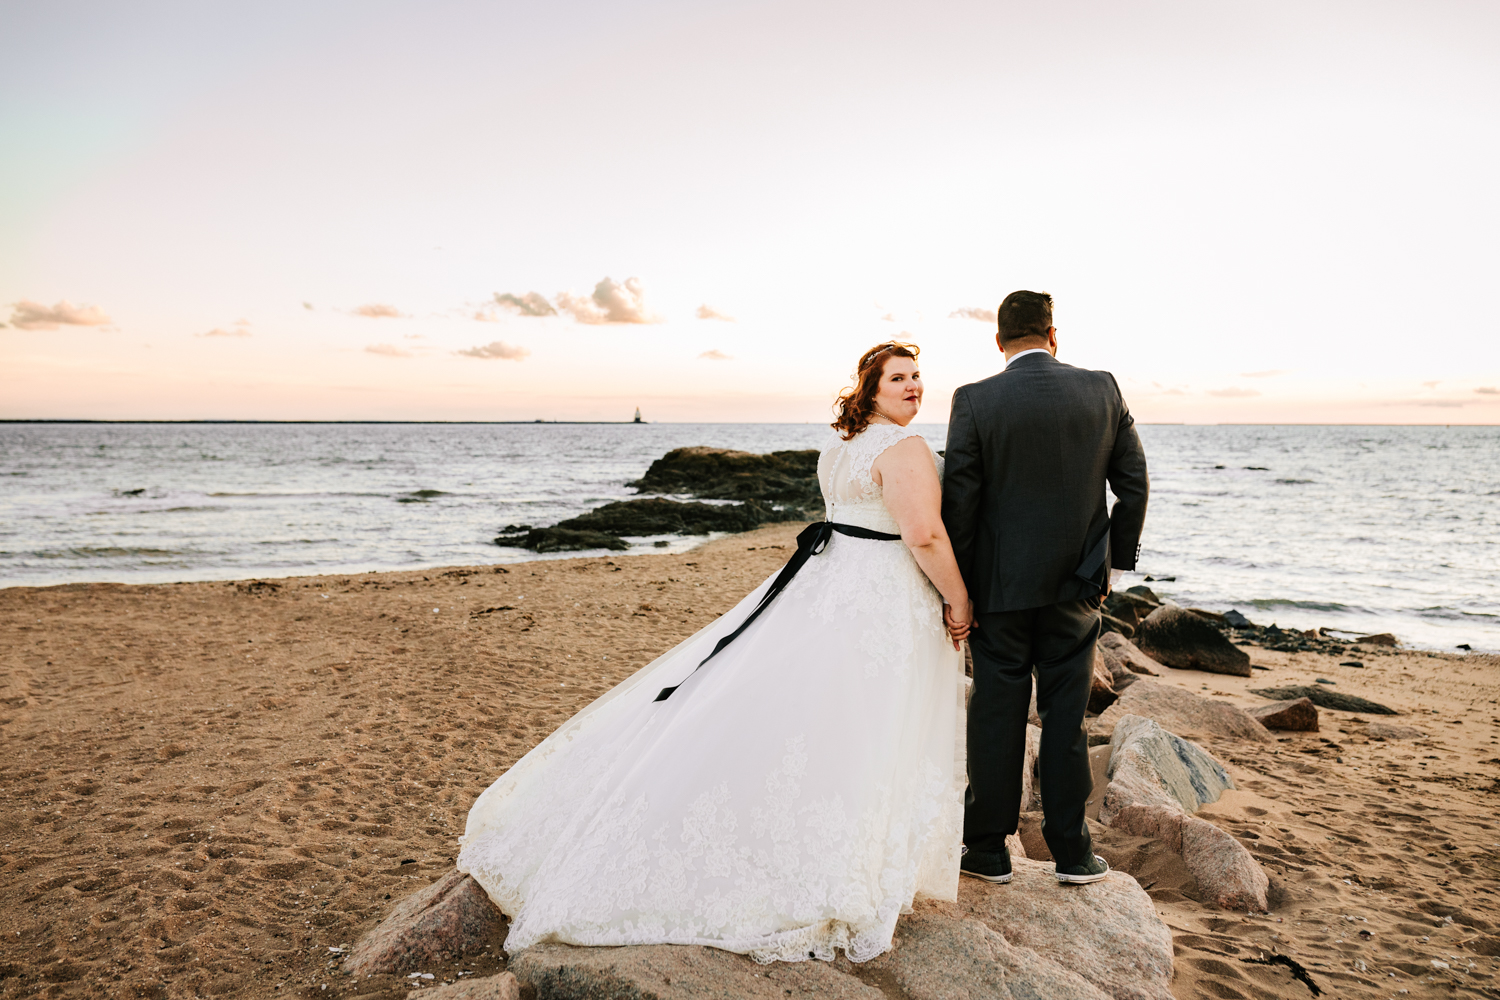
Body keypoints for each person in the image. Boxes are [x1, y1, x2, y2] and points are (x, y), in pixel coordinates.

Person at [457, 341, 973, 964]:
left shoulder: (838, 448)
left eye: (918, 377)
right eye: (899, 378)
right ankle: (844, 862)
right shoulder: (903, 447)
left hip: (830, 579)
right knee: (866, 723)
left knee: (813, 714)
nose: (914, 387)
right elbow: (922, 533)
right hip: (879, 595)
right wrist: (960, 599)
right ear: (871, 390)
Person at [941, 290, 1149, 887]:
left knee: (994, 711)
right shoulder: (1102, 389)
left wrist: (960, 587)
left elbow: (962, 501)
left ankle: (985, 849)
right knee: (1066, 718)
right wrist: (1110, 566)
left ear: (999, 341)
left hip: (998, 592)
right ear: (1053, 336)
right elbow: (1132, 486)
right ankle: (1072, 853)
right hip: (1075, 590)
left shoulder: (975, 399)